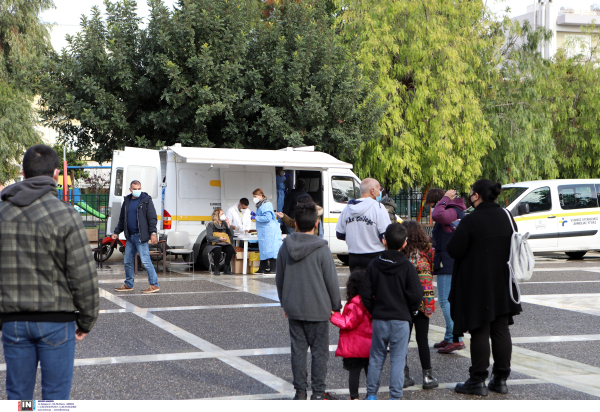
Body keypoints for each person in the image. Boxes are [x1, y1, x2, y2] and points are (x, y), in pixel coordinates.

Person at [0, 144, 99, 400]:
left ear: (23, 173)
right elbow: (83, 274)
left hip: (13, 321)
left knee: (18, 397)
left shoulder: (2, 213)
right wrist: (87, 319)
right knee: (55, 399)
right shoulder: (66, 215)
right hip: (57, 321)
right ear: (56, 174)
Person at [447, 179, 523, 396]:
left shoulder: (472, 220)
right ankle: (500, 379)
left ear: (476, 196)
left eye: (471, 193)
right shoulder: (506, 216)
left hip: (478, 282)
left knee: (480, 328)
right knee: (500, 329)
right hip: (503, 281)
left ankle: (477, 379)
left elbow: (454, 249)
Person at [276, 202, 342, 400]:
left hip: (294, 308)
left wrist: (284, 303)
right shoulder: (322, 248)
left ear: (295, 224)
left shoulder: (285, 247)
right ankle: (318, 393)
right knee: (319, 353)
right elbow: (331, 280)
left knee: (298, 350)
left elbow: (280, 278)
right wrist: (335, 306)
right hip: (319, 309)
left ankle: (300, 391)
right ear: (316, 223)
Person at [359, 223, 423, 400]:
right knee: (397, 359)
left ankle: (371, 394)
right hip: (401, 319)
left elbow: (365, 292)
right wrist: (410, 311)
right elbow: (417, 294)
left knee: (377, 357)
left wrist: (374, 309)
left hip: (380, 317)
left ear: (383, 241)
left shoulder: (374, 265)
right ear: (404, 244)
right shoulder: (408, 266)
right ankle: (395, 397)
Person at [425, 187, 466, 353]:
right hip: (449, 260)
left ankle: (457, 338)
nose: (432, 208)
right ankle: (450, 337)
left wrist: (445, 199)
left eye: (432, 204)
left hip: (449, 262)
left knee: (444, 300)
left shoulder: (450, 210)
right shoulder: (453, 211)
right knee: (448, 300)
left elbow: (438, 215)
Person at [401, 220, 439, 390]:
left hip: (403, 305)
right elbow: (426, 284)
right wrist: (429, 306)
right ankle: (427, 376)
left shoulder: (403, 256)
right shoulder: (423, 256)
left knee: (403, 341)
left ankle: (403, 375)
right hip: (421, 306)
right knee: (422, 339)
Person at [330, 270, 372, 400]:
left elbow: (347, 322)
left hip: (356, 347)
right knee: (370, 373)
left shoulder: (355, 305)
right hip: (370, 346)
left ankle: (354, 398)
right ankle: (371, 395)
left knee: (354, 373)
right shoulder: (371, 301)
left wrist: (333, 315)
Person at [113, 180, 160, 293]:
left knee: (145, 261)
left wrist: (153, 233)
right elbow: (122, 219)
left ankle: (154, 285)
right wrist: (116, 232)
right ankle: (129, 284)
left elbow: (152, 218)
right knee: (127, 261)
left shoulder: (146, 200)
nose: (137, 191)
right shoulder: (127, 201)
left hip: (140, 236)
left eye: (139, 188)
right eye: (135, 189)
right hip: (130, 237)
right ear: (130, 189)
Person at [336, 178, 392, 272]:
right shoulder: (378, 207)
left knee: (356, 285)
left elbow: (340, 234)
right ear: (372, 191)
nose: (380, 193)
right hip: (375, 255)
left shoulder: (347, 209)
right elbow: (386, 234)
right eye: (379, 190)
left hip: (354, 256)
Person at [253, 188, 283, 274]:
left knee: (270, 249)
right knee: (263, 249)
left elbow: (267, 217)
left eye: (255, 196)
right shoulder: (260, 205)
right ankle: (262, 267)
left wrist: (256, 217)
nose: (254, 198)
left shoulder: (266, 204)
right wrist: (256, 215)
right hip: (264, 231)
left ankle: (274, 268)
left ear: (260, 196)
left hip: (269, 231)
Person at [206, 208, 236, 276]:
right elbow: (208, 237)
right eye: (222, 214)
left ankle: (226, 268)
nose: (223, 215)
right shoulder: (211, 225)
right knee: (217, 250)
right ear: (217, 216)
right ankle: (216, 268)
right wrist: (219, 238)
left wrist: (228, 224)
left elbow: (231, 234)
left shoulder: (225, 223)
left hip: (224, 243)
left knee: (230, 249)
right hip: (214, 244)